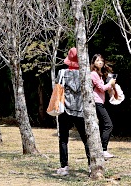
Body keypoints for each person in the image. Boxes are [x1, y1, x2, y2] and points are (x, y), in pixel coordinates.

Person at [55, 47, 90, 177]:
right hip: (81, 110)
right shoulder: (85, 73)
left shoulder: (62, 73)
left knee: (63, 139)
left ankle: (64, 166)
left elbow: (57, 88)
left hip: (65, 110)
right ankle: (91, 165)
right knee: (86, 139)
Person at [90, 54, 115, 159]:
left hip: (100, 102)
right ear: (93, 62)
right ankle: (103, 150)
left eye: (101, 60)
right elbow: (101, 88)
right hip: (96, 102)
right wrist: (110, 83)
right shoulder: (93, 74)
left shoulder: (99, 74)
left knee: (102, 126)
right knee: (108, 125)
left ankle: (100, 149)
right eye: (97, 60)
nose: (100, 62)